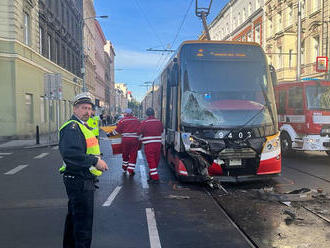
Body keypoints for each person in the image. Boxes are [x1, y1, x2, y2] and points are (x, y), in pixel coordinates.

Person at [59, 92, 108, 248]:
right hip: (79, 180)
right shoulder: (73, 127)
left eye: (89, 108)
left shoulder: (81, 125)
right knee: (83, 226)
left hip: (81, 179)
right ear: (75, 109)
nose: (87, 112)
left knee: (75, 221)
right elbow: (71, 155)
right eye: (83, 108)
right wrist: (95, 161)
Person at [107, 108, 140, 175]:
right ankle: (131, 170)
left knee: (125, 153)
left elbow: (117, 130)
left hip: (126, 140)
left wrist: (109, 134)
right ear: (131, 113)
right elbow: (140, 129)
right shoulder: (136, 120)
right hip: (134, 140)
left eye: (125, 113)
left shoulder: (123, 120)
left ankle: (125, 167)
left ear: (126, 113)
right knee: (133, 154)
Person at [139, 107, 164, 183]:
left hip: (149, 145)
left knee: (151, 161)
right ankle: (152, 175)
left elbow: (139, 131)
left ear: (147, 114)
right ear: (154, 113)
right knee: (156, 160)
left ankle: (155, 178)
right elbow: (162, 130)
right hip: (158, 144)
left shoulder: (144, 122)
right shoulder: (159, 122)